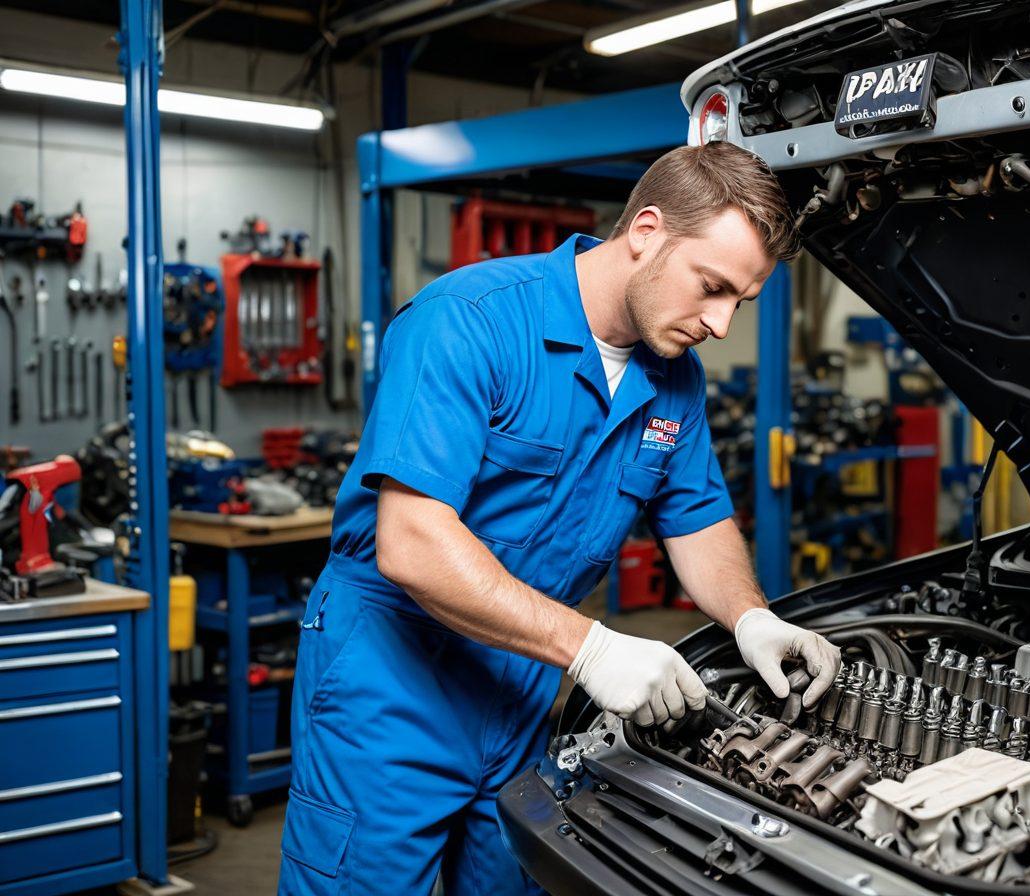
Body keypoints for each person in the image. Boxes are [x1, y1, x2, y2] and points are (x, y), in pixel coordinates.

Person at [278, 141, 842, 895]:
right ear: (646, 232)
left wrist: (750, 618)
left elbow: (697, 513)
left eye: (737, 302)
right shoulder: (467, 322)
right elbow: (412, 544)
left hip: (521, 689)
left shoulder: (673, 379)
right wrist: (594, 651)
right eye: (711, 287)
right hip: (391, 681)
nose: (720, 324)